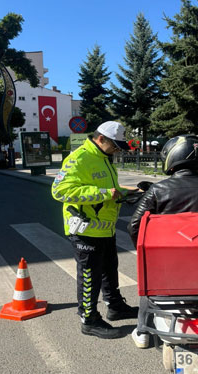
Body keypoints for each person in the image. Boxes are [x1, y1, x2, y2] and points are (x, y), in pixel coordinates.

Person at [127, 135, 198, 348]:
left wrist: (146, 255)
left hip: (171, 267)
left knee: (149, 289)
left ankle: (142, 332)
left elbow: (134, 226)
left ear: (171, 158)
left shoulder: (158, 190)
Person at [51, 121, 138, 339]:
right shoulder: (79, 158)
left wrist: (130, 192)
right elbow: (60, 191)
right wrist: (105, 193)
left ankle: (115, 307)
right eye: (115, 146)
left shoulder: (104, 158)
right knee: (90, 275)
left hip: (105, 229)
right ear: (101, 139)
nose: (117, 150)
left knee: (110, 269)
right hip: (85, 229)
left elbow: (110, 190)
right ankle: (89, 320)